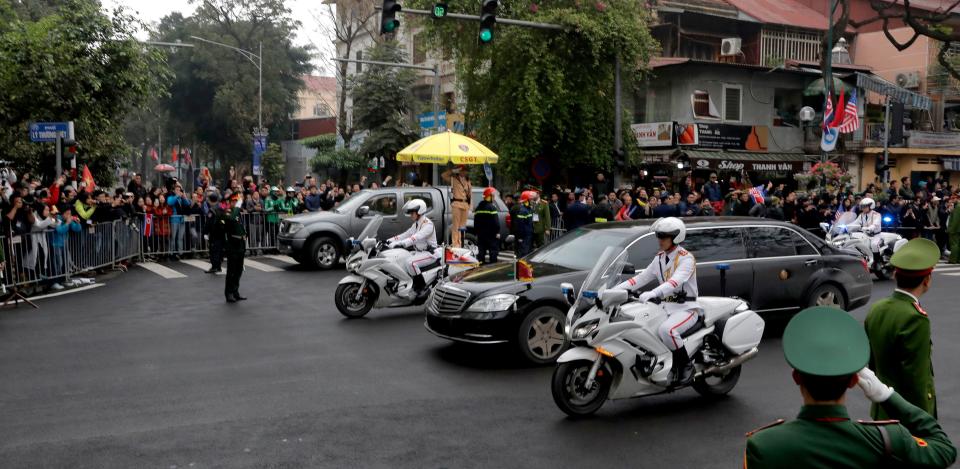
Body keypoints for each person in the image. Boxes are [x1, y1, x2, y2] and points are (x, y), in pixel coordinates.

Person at [743, 306, 956, 469]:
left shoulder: (763, 446)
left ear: (796, 377)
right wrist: (885, 395)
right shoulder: (889, 440)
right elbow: (944, 448)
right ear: (855, 381)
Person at [614, 217, 699, 385]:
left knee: (667, 330)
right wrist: (615, 290)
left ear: (675, 238)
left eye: (664, 237)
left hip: (686, 308)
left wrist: (653, 292)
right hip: (665, 307)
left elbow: (674, 282)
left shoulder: (686, 258)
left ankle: (686, 365)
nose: (660, 240)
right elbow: (641, 278)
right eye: (659, 236)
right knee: (640, 325)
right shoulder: (660, 257)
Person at [864, 238, 940, 419]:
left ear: (894, 276)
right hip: (907, 417)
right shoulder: (915, 318)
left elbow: (872, 364)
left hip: (882, 409)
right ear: (927, 280)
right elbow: (917, 380)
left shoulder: (877, 308)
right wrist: (925, 424)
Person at [386, 199, 438, 298]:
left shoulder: (428, 224)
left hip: (430, 253)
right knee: (401, 259)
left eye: (412, 212)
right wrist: (389, 241)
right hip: (419, 252)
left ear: (419, 211)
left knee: (411, 263)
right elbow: (406, 234)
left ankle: (421, 287)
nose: (411, 215)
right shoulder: (416, 224)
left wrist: (402, 244)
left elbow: (415, 238)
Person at [212, 193, 248, 303]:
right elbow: (231, 219)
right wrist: (237, 207)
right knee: (231, 271)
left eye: (237, 201)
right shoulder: (226, 212)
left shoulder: (237, 212)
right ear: (230, 202)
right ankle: (229, 293)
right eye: (235, 201)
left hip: (241, 243)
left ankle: (235, 291)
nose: (237, 203)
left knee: (239, 270)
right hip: (232, 244)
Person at [444, 165, 471, 248]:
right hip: (456, 203)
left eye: (465, 171)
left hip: (465, 204)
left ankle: (461, 243)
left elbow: (470, 195)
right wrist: (453, 170)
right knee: (456, 225)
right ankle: (455, 244)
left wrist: (470, 206)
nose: (464, 172)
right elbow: (444, 175)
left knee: (463, 226)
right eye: (462, 170)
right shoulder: (454, 179)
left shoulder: (468, 181)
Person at [474, 187, 500, 264]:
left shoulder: (478, 207)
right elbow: (496, 222)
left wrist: (477, 232)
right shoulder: (492, 207)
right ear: (489, 196)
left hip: (481, 234)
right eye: (493, 196)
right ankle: (492, 268)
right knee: (493, 252)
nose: (494, 198)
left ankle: (481, 267)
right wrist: (497, 232)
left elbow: (476, 222)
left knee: (481, 251)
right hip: (491, 234)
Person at [204, 191, 224, 274]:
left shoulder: (211, 210)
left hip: (214, 233)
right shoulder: (221, 208)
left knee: (213, 250)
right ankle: (218, 266)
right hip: (221, 232)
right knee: (219, 250)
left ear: (210, 200)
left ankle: (214, 267)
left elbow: (209, 222)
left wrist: (205, 232)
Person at [511, 191, 535, 258]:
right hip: (524, 237)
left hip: (528, 236)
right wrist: (520, 237)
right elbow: (520, 225)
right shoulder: (523, 211)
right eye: (530, 199)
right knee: (523, 254)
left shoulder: (529, 209)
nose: (532, 201)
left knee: (528, 253)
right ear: (526, 200)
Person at [948, 200, 960, 264]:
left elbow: (956, 220)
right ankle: (958, 259)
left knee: (954, 245)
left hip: (956, 229)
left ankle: (953, 260)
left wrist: (951, 230)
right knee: (958, 244)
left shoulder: (958, 207)